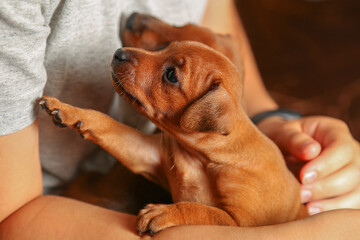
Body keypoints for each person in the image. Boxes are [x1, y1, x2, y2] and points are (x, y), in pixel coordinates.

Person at [0, 0, 359, 239]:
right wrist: (83, 119)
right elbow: (140, 148)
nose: (133, 56)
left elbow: (237, 222)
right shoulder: (185, 140)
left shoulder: (239, 164)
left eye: (170, 74)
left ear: (203, 115)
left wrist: (273, 119)